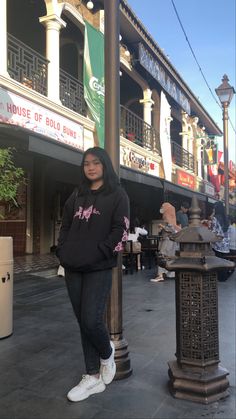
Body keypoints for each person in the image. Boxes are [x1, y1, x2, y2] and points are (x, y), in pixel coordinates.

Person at [56, 147, 129, 402]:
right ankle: (92, 377)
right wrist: (63, 252)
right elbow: (65, 225)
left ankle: (106, 353)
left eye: (96, 163)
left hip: (98, 266)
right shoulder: (77, 194)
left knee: (90, 319)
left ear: (105, 166)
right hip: (73, 266)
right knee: (82, 322)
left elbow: (121, 230)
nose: (90, 167)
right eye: (86, 163)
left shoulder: (117, 194)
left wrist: (101, 251)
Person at [150, 202, 180, 282]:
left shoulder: (168, 217)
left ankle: (160, 275)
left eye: (163, 207)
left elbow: (171, 229)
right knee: (170, 257)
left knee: (161, 255)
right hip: (172, 241)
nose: (162, 209)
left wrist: (162, 226)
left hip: (167, 240)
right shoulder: (172, 218)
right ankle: (170, 274)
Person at [208, 201, 230, 281]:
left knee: (216, 260)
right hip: (225, 244)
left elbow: (213, 231)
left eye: (214, 208)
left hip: (217, 243)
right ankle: (223, 277)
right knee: (222, 259)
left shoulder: (215, 218)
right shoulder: (225, 218)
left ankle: (218, 277)